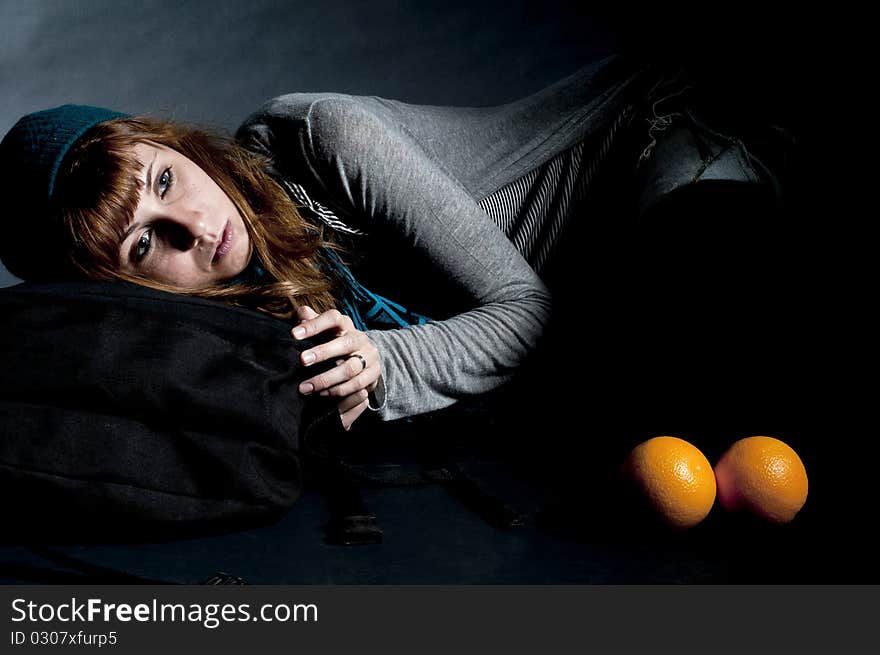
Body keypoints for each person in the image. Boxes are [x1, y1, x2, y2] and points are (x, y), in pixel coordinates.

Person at [0, 55, 669, 432]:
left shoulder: (326, 138)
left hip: (655, 136)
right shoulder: (223, 311)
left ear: (177, 144)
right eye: (145, 244)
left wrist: (383, 363)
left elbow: (526, 310)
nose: (198, 229)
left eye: (167, 179)